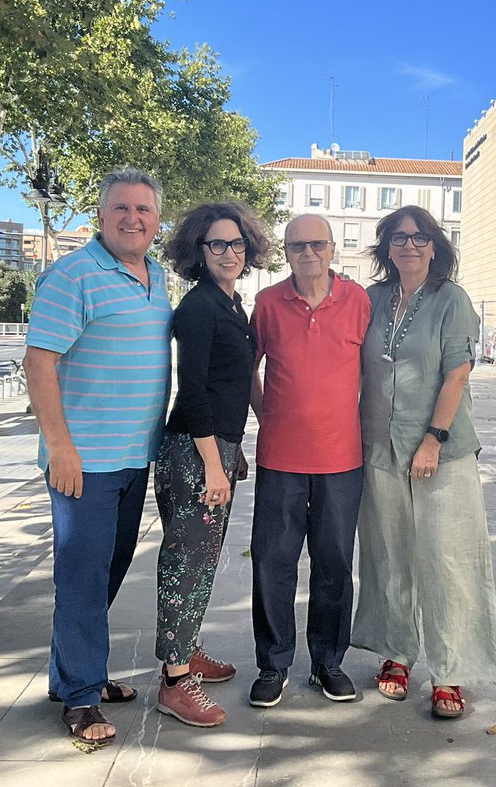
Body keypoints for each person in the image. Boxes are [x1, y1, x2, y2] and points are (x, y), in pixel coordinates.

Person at [25, 169, 172, 747]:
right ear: (101, 214)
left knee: (107, 571)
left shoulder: (156, 276)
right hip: (84, 461)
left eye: (143, 209)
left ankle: (72, 677)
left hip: (135, 456)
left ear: (156, 220)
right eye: (121, 208)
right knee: (83, 579)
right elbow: (40, 365)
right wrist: (60, 446)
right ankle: (83, 699)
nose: (132, 218)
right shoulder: (72, 276)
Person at [351, 205, 496, 720]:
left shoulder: (451, 299)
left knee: (445, 560)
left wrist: (434, 438)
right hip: (379, 448)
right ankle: (397, 652)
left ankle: (449, 670)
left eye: (419, 237)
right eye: (398, 237)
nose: (408, 245)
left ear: (435, 246)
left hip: (442, 449)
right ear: (386, 247)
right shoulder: (370, 300)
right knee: (388, 555)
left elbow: (457, 371)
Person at [154, 200, 271, 728]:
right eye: (218, 244)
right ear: (198, 252)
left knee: (202, 561)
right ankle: (176, 681)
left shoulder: (231, 304)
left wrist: (239, 441)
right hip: (193, 451)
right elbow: (194, 391)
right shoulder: (200, 308)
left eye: (237, 243)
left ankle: (188, 649)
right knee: (188, 561)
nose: (229, 252)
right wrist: (214, 465)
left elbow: (234, 383)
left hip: (215, 447)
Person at [247, 214, 371, 708]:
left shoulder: (359, 301)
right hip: (281, 458)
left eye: (317, 244)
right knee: (273, 563)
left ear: (333, 248)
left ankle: (328, 661)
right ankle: (273, 663)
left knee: (334, 564)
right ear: (286, 252)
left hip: (343, 458)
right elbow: (245, 368)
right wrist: (267, 414)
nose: (308, 253)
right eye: (297, 245)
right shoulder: (267, 303)